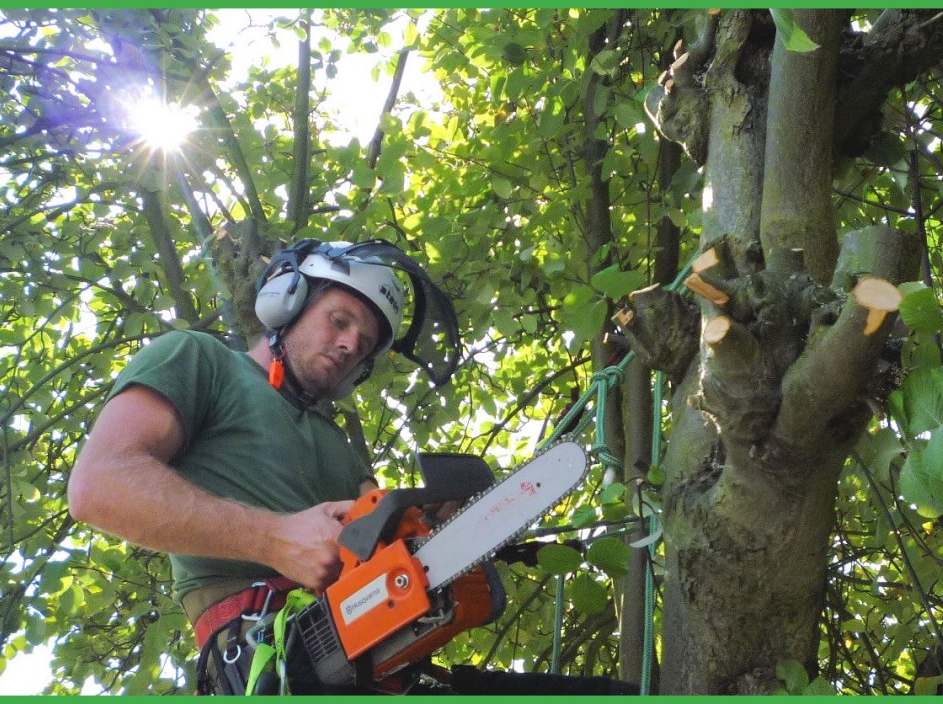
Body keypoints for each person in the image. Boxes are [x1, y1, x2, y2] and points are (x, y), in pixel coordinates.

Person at [68, 238, 637, 695]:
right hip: (272, 657)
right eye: (340, 321)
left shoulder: (338, 445)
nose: (349, 345)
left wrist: (433, 526)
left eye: (363, 344)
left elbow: (385, 547)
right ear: (288, 301)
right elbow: (99, 485)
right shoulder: (200, 360)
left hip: (375, 664)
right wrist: (276, 539)